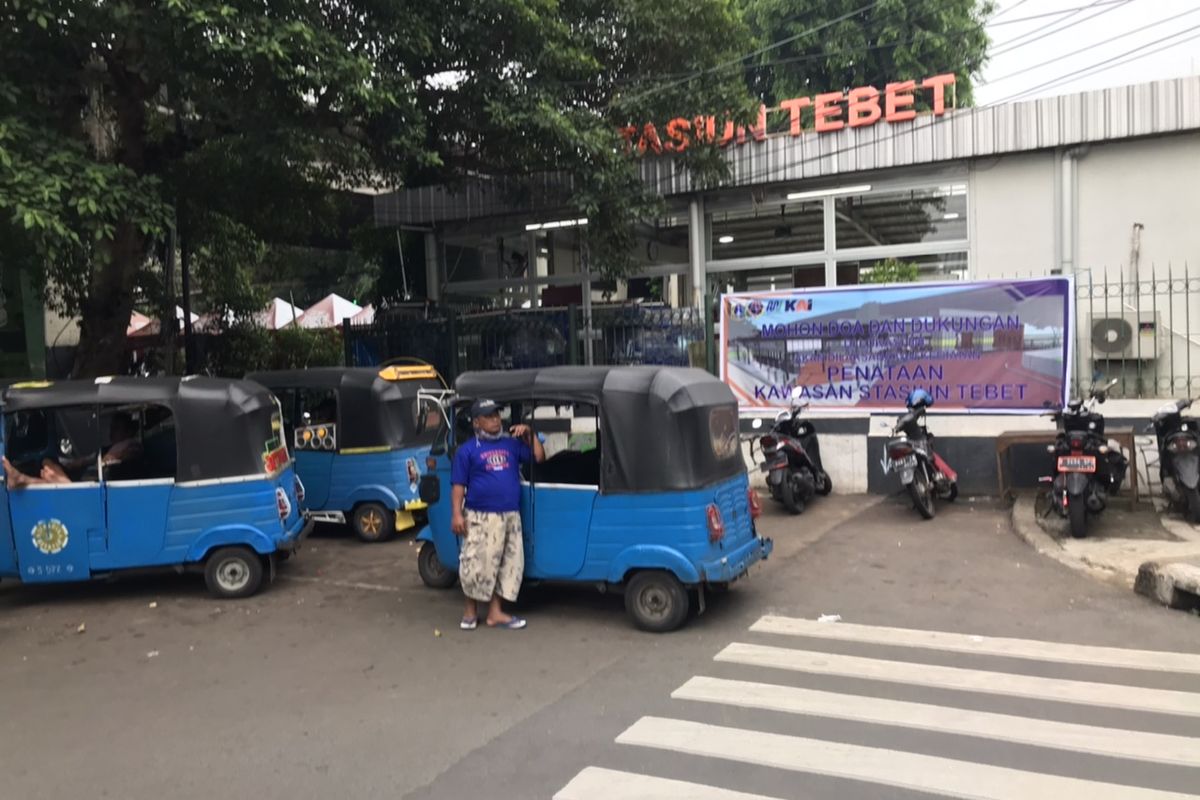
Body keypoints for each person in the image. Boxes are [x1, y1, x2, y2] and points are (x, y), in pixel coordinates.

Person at [451, 399, 544, 630]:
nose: (495, 419)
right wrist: (456, 515)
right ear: (476, 422)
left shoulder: (511, 444)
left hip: (510, 515)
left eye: (496, 415)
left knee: (508, 563)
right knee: (474, 562)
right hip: (480, 516)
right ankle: (470, 612)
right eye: (489, 416)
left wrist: (530, 434)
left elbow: (539, 457)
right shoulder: (468, 450)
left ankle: (495, 613)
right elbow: (458, 485)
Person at [3, 412, 142, 488]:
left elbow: (107, 464)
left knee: (53, 480)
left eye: (116, 428)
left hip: (94, 487)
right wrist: (66, 466)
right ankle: (25, 479)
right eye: (112, 427)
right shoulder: (107, 448)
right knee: (48, 463)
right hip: (85, 478)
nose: (111, 432)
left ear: (128, 431)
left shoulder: (131, 447)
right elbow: (84, 461)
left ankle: (24, 480)